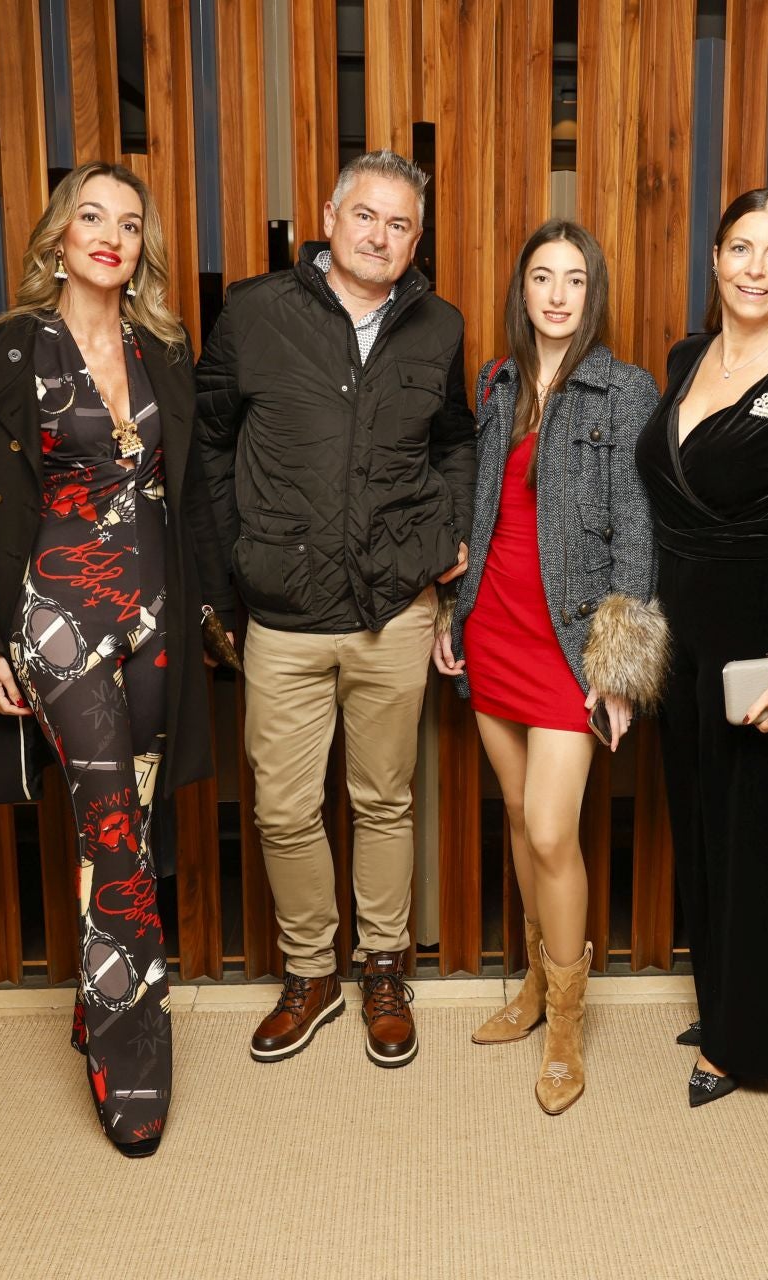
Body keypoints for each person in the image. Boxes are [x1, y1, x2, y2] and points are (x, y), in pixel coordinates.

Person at [0, 161, 221, 1158]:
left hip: (153, 616)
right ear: (58, 235)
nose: (111, 234)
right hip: (56, 619)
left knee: (133, 822)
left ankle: (93, 993)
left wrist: (207, 614)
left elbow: (184, 496)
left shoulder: (161, 352)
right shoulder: (11, 354)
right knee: (113, 831)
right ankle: (133, 1056)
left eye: (130, 222)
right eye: (92, 216)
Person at [195, 150, 476, 1069]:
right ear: (329, 214)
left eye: (400, 224)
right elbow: (209, 445)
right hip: (280, 613)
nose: (380, 236)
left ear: (417, 237)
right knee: (283, 808)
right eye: (365, 216)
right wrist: (234, 567)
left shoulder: (439, 326)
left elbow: (457, 444)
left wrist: (444, 540)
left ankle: (383, 968)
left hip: (393, 610)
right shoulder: (254, 312)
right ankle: (311, 971)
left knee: (384, 800)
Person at [432, 220, 665, 1115]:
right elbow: (478, 512)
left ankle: (566, 1024)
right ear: (522, 289)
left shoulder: (625, 387)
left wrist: (617, 668)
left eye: (574, 278)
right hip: (495, 628)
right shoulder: (495, 383)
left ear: (591, 291)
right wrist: (456, 614)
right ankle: (533, 988)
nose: (558, 294)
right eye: (542, 276)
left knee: (549, 830)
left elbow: (639, 533)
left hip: (569, 645)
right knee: (519, 821)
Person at [634, 189, 768, 1107]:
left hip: (763, 645)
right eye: (740, 248)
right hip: (683, 638)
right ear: (715, 258)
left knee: (754, 839)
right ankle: (737, 990)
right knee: (702, 828)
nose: (755, 269)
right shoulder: (688, 358)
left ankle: (744, 1043)